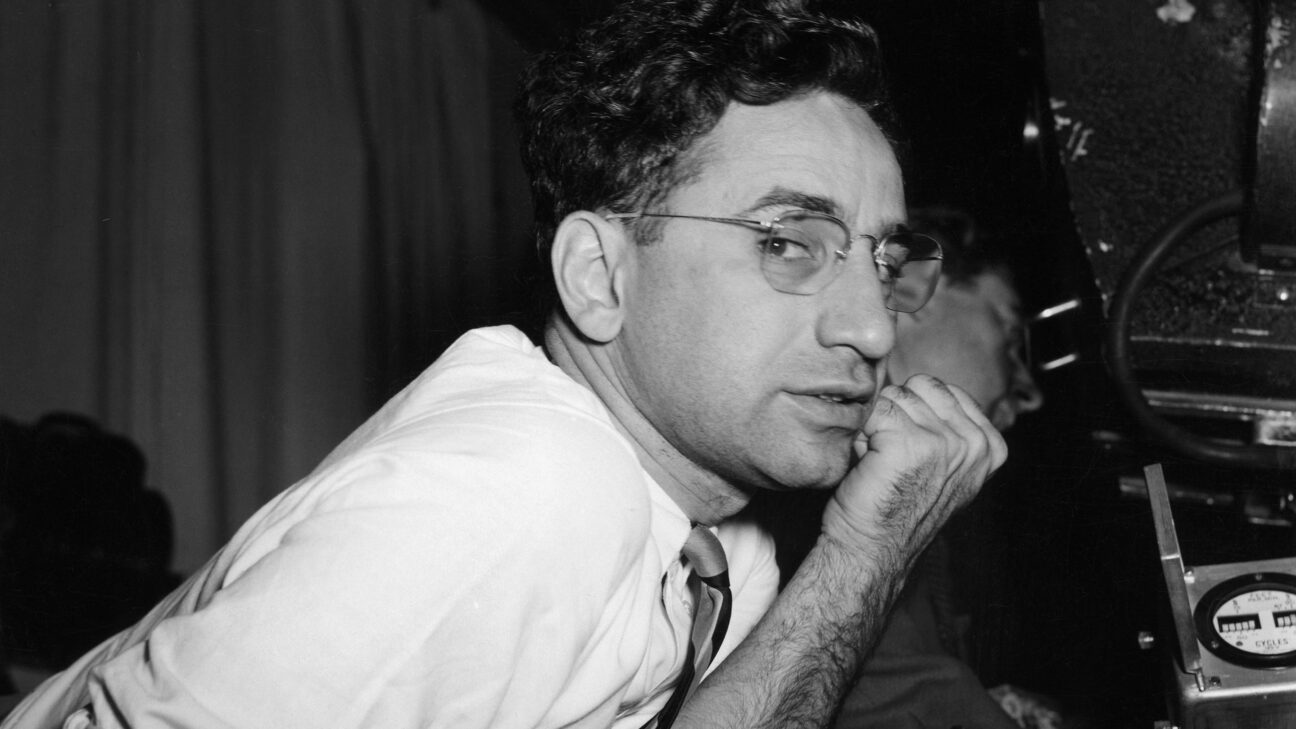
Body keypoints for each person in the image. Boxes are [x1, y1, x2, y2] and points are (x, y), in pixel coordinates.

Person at [1, 1, 1005, 727]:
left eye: (882, 260)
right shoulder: (527, 491)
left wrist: (861, 556)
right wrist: (864, 558)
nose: (873, 329)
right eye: (787, 243)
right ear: (598, 276)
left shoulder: (720, 546)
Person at [833, 207, 1045, 729]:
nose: (1030, 392)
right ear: (914, 288)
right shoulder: (817, 461)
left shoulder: (900, 472)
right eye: (1009, 332)